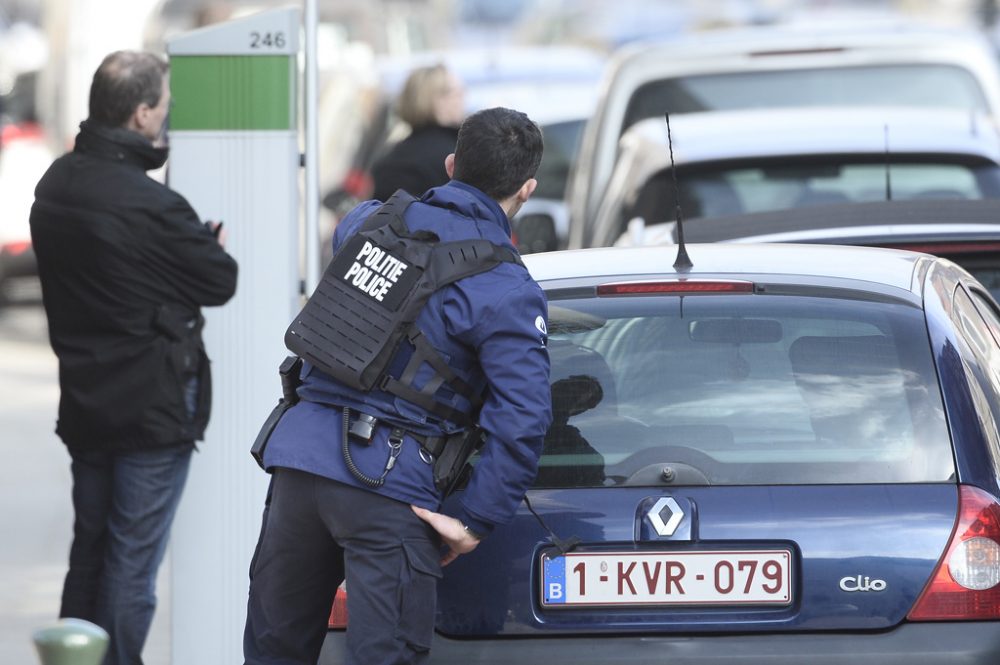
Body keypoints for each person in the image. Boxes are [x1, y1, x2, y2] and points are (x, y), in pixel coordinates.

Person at [244, 107, 552, 665]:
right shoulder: (507, 288)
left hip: (298, 469)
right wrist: (474, 519)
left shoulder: (365, 224)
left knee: (273, 654)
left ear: (452, 163)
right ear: (526, 190)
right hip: (389, 489)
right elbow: (523, 419)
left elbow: (352, 237)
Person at [29, 50, 238, 665]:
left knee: (90, 547)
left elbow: (110, 275)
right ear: (143, 114)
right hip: (154, 403)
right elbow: (219, 280)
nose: (167, 118)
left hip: (86, 398)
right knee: (131, 561)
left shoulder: (57, 182)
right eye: (165, 107)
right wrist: (197, 245)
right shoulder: (152, 205)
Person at [370, 63, 466, 202]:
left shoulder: (389, 158)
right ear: (437, 100)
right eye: (457, 93)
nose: (462, 99)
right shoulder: (457, 157)